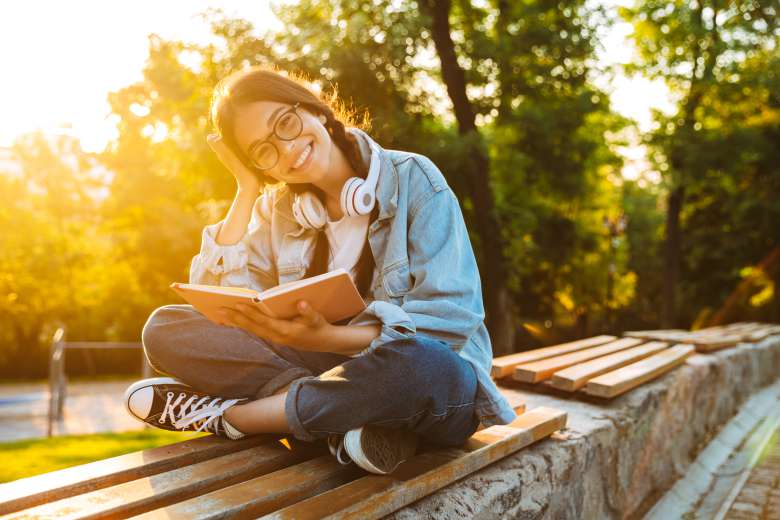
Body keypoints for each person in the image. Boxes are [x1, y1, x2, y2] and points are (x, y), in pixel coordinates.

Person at [124, 66, 516, 475]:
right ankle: (341, 424)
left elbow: (452, 321)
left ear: (314, 109)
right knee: (164, 328)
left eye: (286, 124)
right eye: (263, 151)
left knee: (421, 362)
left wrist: (329, 337)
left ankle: (236, 419)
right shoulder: (275, 210)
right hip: (329, 373)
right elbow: (221, 307)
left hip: (429, 386)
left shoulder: (414, 178)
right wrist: (245, 189)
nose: (287, 149)